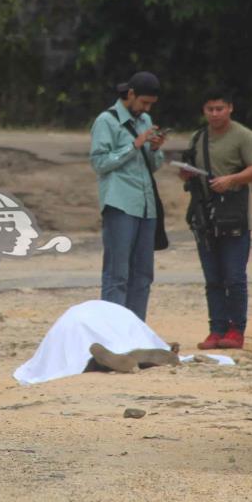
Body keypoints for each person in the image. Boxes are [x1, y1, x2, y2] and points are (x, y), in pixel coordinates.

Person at [179, 89, 252, 350]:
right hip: (205, 218)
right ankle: (216, 329)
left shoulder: (243, 136)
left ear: (230, 108)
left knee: (234, 277)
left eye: (219, 108)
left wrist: (231, 180)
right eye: (210, 109)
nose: (214, 114)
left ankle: (236, 330)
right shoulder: (198, 137)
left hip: (234, 217)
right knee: (212, 278)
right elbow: (189, 169)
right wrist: (186, 174)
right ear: (204, 111)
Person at [89, 71, 168, 321]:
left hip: (146, 205)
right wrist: (134, 145)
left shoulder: (145, 120)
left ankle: (136, 332)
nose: (145, 109)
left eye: (150, 105)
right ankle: (113, 334)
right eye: (143, 102)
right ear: (130, 94)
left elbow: (151, 165)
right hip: (120, 203)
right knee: (117, 273)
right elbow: (99, 162)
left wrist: (154, 149)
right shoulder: (106, 121)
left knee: (143, 275)